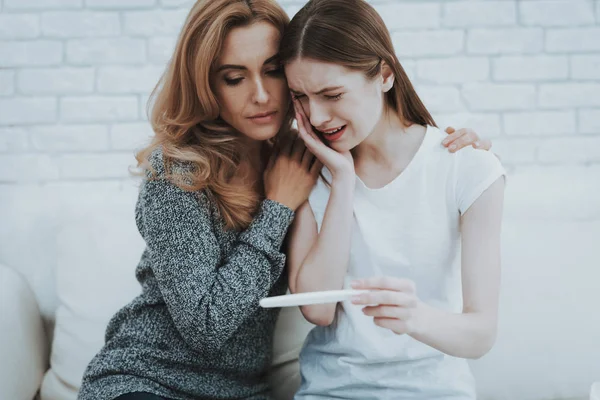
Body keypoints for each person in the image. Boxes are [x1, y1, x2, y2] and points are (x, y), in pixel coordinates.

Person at [77, 0, 492, 399]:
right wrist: (277, 207)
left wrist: (462, 149)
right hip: (149, 380)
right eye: (234, 78)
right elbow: (206, 325)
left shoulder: (307, 156)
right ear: (207, 85)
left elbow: (379, 125)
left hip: (243, 391)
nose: (260, 95)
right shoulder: (178, 173)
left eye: (272, 72)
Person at [281, 0, 506, 399]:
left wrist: (414, 317)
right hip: (333, 392)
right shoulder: (307, 172)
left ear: (384, 74)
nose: (316, 117)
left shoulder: (466, 168)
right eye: (301, 96)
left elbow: (481, 335)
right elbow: (317, 308)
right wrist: (344, 178)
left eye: (331, 94)